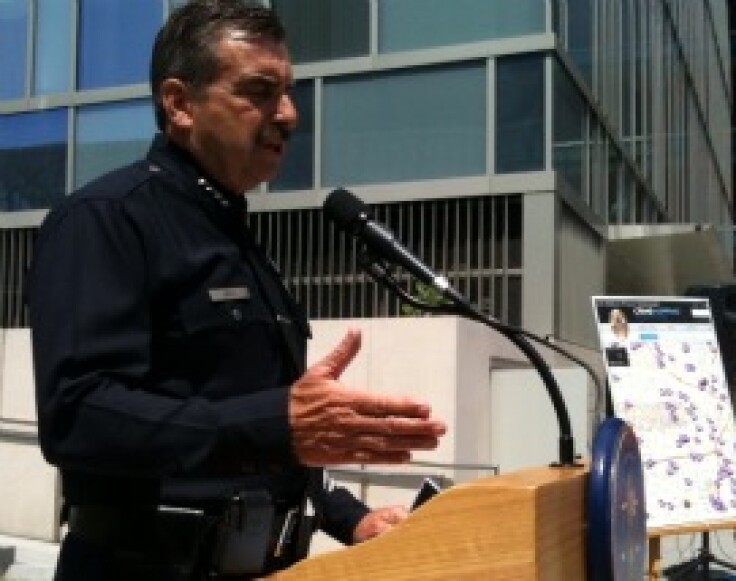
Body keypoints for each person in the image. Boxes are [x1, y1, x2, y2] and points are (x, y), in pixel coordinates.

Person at [26, 2, 446, 579]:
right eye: (259, 91)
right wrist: (278, 422)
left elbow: (266, 436)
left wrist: (349, 517)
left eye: (288, 92)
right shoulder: (105, 220)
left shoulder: (239, 242)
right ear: (179, 103)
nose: (289, 114)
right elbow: (78, 415)